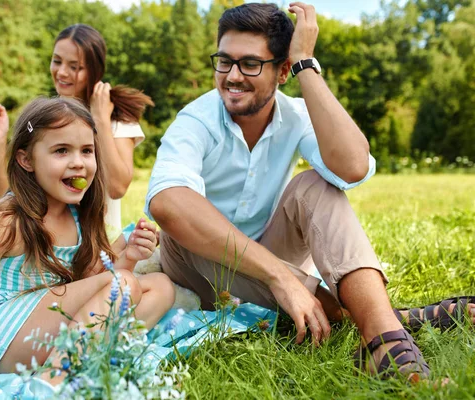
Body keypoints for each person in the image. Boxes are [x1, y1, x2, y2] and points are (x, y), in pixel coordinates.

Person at [145, 2, 474, 381]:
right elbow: (168, 203)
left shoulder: (297, 114)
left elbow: (352, 166)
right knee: (192, 225)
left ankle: (382, 342)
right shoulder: (196, 120)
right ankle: (391, 320)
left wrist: (305, 63)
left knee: (316, 184)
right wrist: (279, 277)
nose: (232, 76)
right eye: (224, 61)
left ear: (282, 70)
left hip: (270, 248)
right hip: (196, 264)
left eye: (250, 64)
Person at [0, 97, 175, 384]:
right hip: (3, 335)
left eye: (87, 151)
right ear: (26, 160)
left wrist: (131, 255)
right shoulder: (8, 221)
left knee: (161, 287)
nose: (78, 163)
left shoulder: (79, 214)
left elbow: (87, 285)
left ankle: (81, 360)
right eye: (61, 151)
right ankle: (50, 384)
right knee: (122, 284)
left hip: (48, 321)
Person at [0, 24, 153, 287]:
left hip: (92, 236)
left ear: (94, 70)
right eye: (57, 61)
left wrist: (99, 119)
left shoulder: (115, 119)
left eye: (74, 66)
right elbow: (8, 197)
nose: (62, 72)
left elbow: (117, 187)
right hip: (37, 232)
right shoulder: (46, 120)